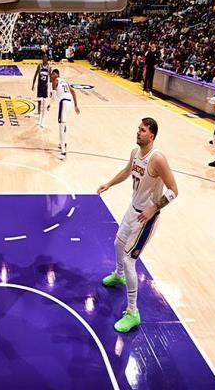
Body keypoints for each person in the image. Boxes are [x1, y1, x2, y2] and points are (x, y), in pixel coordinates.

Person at [97, 118, 178, 332]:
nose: (138, 132)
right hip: (132, 210)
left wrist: (153, 208)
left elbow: (173, 190)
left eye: (142, 130)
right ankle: (119, 275)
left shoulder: (157, 159)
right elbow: (127, 171)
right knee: (118, 243)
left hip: (146, 217)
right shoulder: (135, 152)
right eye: (138, 129)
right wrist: (109, 184)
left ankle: (133, 313)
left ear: (152, 136)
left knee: (129, 259)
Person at [50, 69, 80, 160]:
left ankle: (63, 152)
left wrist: (49, 104)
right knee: (62, 124)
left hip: (63, 102)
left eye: (53, 74)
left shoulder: (55, 81)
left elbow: (54, 97)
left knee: (61, 125)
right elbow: (73, 92)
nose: (52, 76)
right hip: (69, 102)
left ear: (57, 74)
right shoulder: (65, 81)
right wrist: (75, 105)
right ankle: (63, 143)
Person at [32, 54, 51, 122]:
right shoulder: (39, 66)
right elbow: (35, 75)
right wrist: (33, 84)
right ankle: (39, 112)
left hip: (45, 87)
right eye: (43, 57)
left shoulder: (49, 67)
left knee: (44, 101)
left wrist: (51, 89)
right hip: (40, 86)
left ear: (47, 59)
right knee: (39, 100)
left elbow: (50, 78)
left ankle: (43, 114)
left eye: (45, 57)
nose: (44, 59)